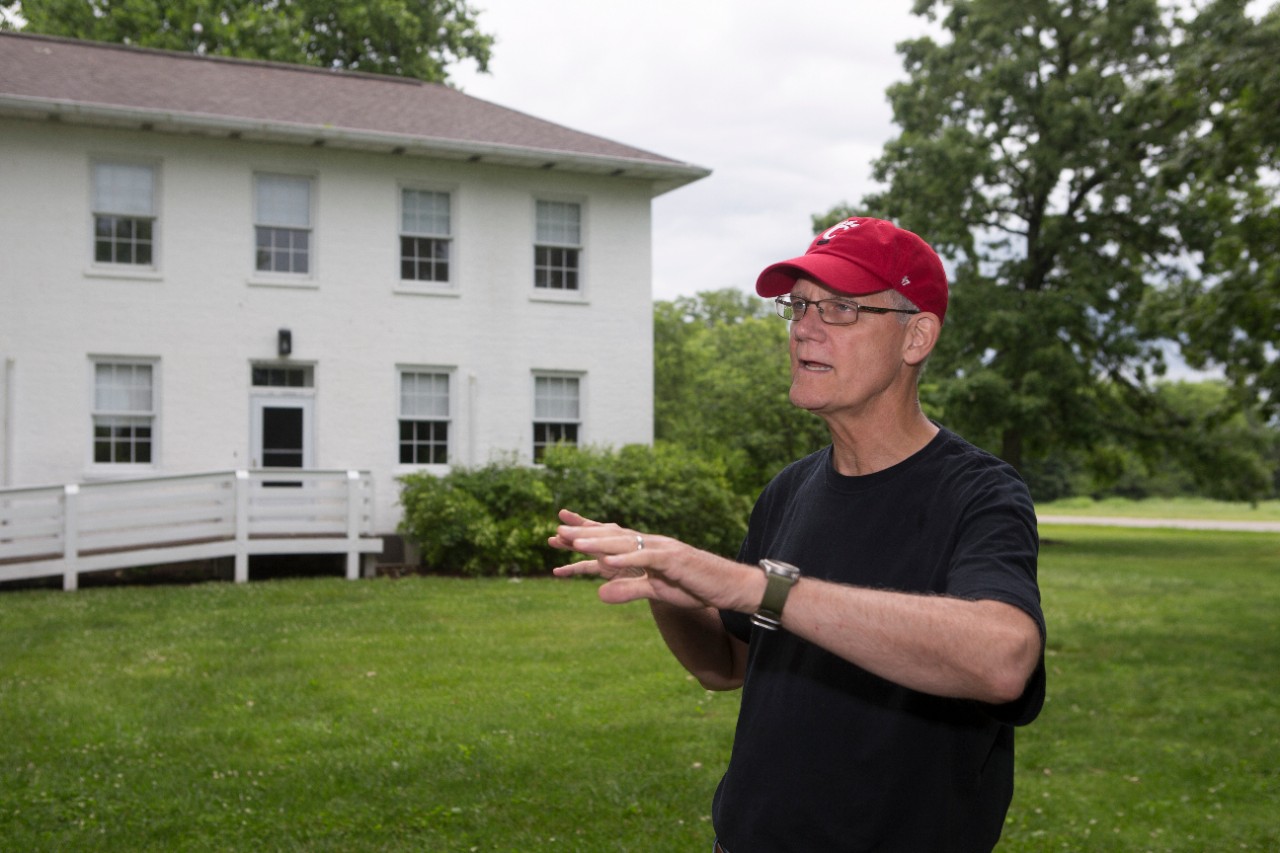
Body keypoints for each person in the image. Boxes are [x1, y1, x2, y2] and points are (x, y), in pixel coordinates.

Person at [549, 217, 1046, 852]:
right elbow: (725, 667)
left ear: (916, 336)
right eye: (799, 305)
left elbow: (1002, 660)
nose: (805, 327)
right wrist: (671, 592)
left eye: (840, 308)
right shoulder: (790, 489)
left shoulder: (979, 492)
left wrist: (753, 586)